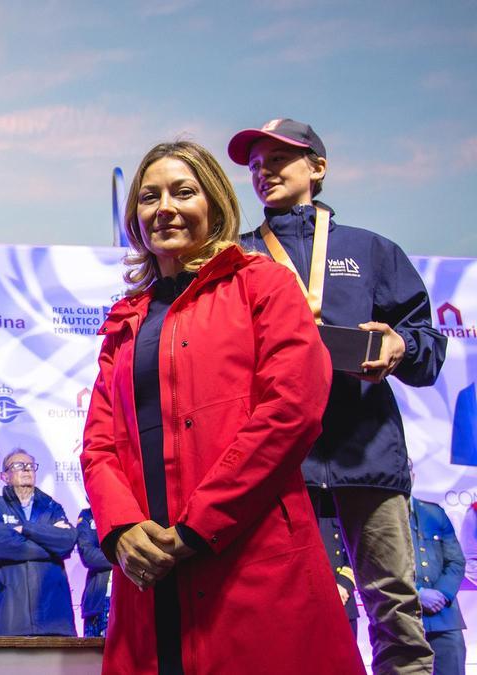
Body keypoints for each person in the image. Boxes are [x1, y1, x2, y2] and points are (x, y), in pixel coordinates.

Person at [80, 141, 363, 673]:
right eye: (148, 196)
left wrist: (196, 528)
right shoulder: (125, 321)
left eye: (182, 191)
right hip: (149, 577)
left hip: (249, 560)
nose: (164, 206)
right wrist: (121, 530)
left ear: (213, 204)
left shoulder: (264, 285)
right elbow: (98, 444)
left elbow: (292, 410)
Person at [230, 119, 447, 673]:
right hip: (278, 464)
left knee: (394, 610)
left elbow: (428, 348)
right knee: (283, 611)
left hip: (366, 459)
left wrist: (399, 345)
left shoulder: (372, 251)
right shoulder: (239, 256)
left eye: (279, 157)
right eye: (255, 164)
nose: (264, 170)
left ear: (317, 168)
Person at [0, 449, 78, 636]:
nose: (26, 470)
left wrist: (25, 529)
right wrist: (50, 546)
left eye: (30, 466)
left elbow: (67, 541)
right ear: (5, 476)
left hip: (54, 620)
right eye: (18, 466)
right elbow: (0, 545)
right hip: (7, 619)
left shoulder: (51, 506)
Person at [409, 495, 467, 674]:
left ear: (413, 475)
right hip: (405, 615)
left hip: (445, 616)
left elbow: (456, 561)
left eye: (408, 469)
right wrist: (417, 593)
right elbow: (378, 567)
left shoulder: (435, 513)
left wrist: (441, 594)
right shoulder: (382, 514)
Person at [317, 507, 360, 636]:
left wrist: (344, 585)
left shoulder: (341, 503)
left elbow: (357, 548)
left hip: (343, 601)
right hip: (310, 603)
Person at [75, 506, 112, 638]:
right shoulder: (87, 515)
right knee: (93, 656)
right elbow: (89, 555)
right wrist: (122, 556)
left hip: (130, 600)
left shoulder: (132, 513)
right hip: (99, 601)